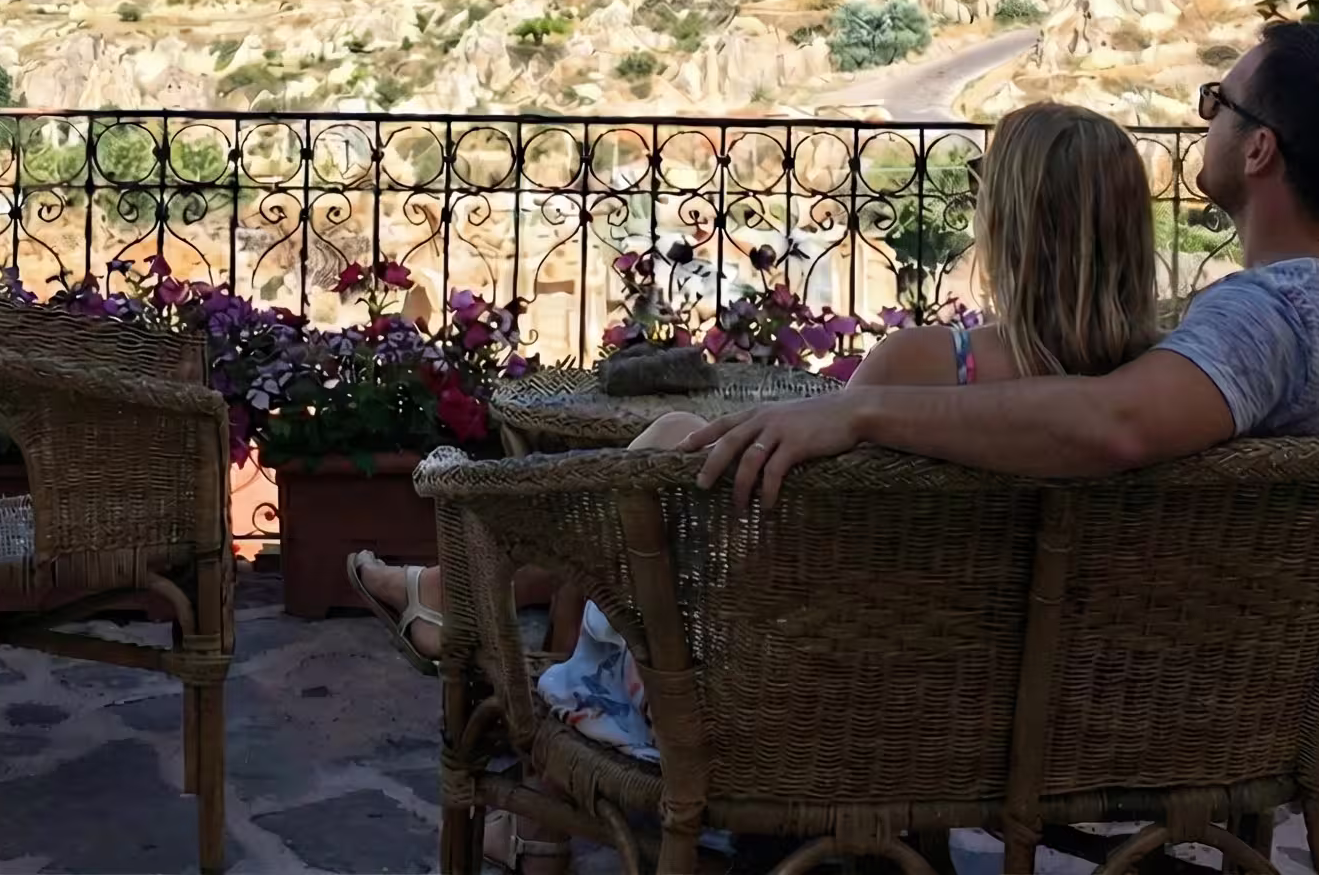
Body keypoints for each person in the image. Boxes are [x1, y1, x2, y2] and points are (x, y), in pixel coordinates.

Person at [355, 98, 1175, 871]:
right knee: (664, 472)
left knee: (652, 505)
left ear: (1009, 226)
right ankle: (485, 677)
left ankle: (464, 616)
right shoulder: (1169, 392)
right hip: (1058, 716)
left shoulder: (927, 367)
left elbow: (818, 545)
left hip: (847, 708)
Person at [686, 19, 1319, 502]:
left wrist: (860, 411)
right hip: (1258, 669)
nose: (1205, 122)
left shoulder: (1271, 314)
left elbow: (1113, 425)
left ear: (1260, 149)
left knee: (666, 454)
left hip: (1142, 675)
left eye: (1217, 104)